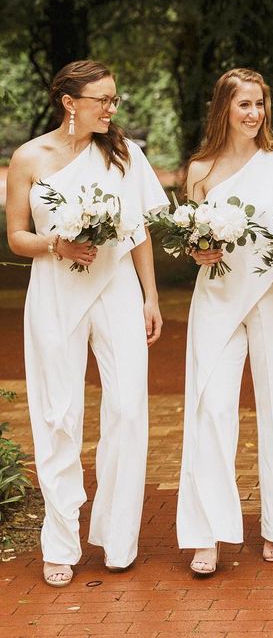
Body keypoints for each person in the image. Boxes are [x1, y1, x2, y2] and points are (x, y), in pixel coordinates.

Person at [6, 60, 168, 587]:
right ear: (70, 102)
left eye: (115, 99)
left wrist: (150, 296)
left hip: (117, 285)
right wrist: (58, 242)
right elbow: (16, 238)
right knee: (58, 412)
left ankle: (119, 537)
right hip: (54, 289)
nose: (112, 108)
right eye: (103, 99)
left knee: (126, 407)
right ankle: (60, 539)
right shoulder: (29, 157)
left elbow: (139, 231)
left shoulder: (123, 154)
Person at [176, 68, 273, 575]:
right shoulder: (200, 169)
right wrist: (198, 250)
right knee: (211, 407)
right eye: (244, 105)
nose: (255, 113)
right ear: (223, 108)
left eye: (260, 104)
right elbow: (192, 241)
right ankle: (206, 533)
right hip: (217, 296)